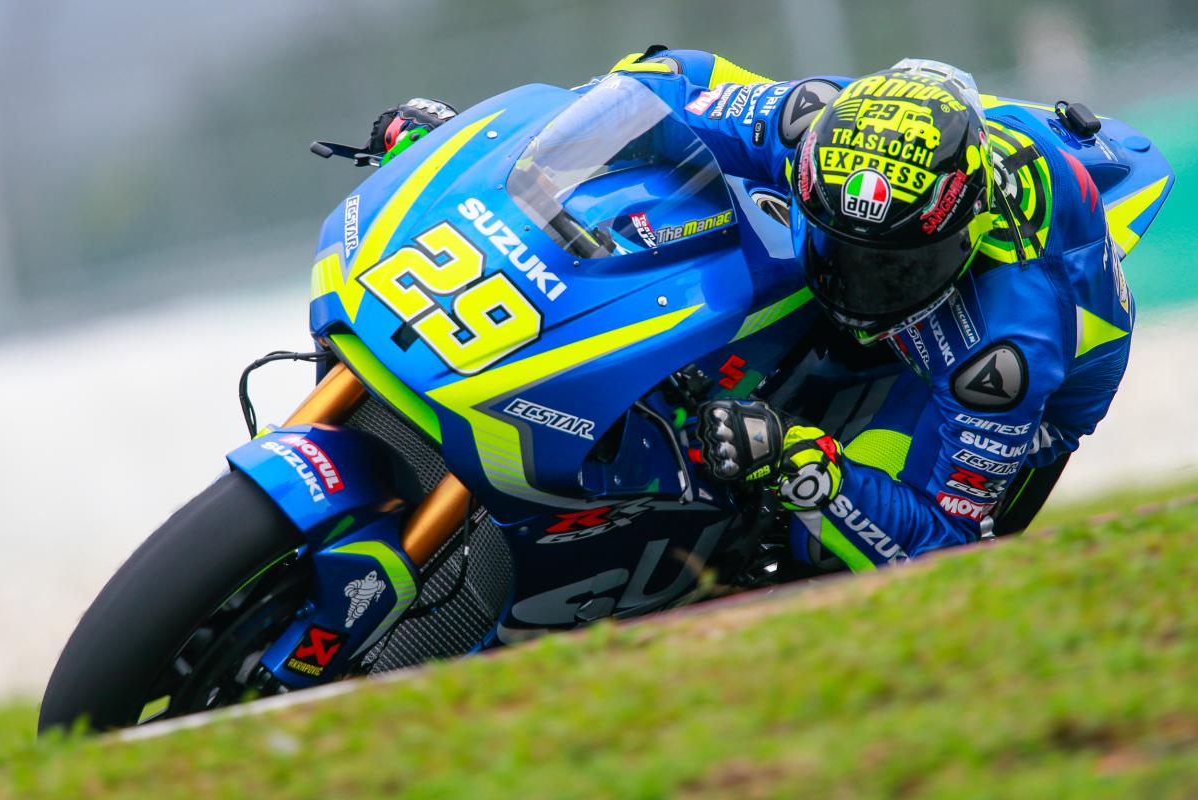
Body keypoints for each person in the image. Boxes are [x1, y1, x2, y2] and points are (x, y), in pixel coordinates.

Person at [361, 49, 1134, 573]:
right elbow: (662, 83)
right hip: (906, 160)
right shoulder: (806, 125)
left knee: (816, 556)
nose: (861, 286)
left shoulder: (1004, 349)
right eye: (844, 250)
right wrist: (488, 149)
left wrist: (797, 462)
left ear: (960, 234)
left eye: (893, 267)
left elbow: (946, 545)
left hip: (1039, 365)